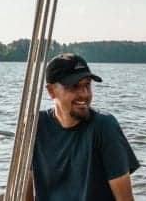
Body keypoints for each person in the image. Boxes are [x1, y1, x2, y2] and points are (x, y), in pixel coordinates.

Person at [28, 53, 139, 201]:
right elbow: (24, 194)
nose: (85, 94)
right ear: (51, 91)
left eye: (87, 85)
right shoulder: (33, 127)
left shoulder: (104, 127)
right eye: (74, 86)